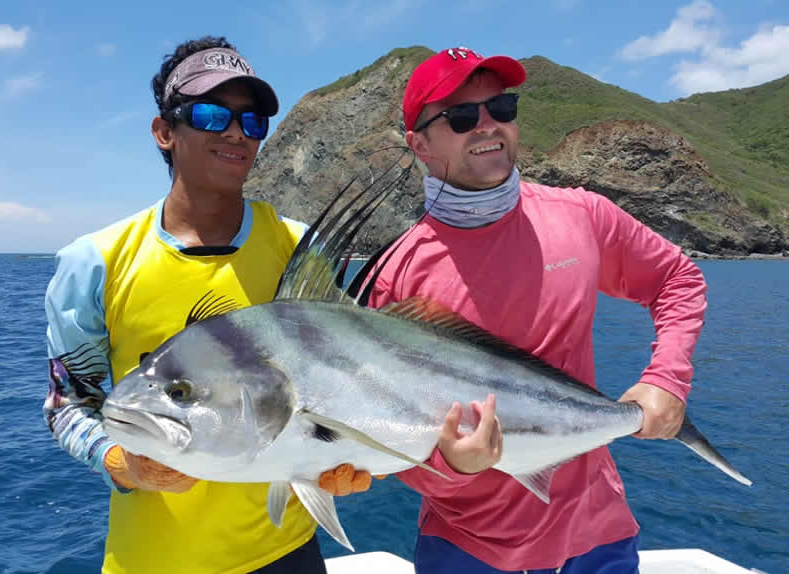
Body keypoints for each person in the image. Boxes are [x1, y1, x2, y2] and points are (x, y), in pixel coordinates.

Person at [367, 46, 708, 573]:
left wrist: (666, 379)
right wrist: (449, 464)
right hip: (465, 548)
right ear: (419, 145)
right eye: (461, 116)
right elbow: (383, 431)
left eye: (500, 109)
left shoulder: (582, 216)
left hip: (597, 536)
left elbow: (676, 279)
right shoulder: (397, 272)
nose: (487, 126)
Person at [43, 36, 369, 574]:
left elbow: (346, 383)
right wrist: (120, 461)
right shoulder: (95, 262)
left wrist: (346, 458)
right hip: (153, 559)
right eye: (212, 114)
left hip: (288, 552)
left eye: (252, 120)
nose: (237, 132)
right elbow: (66, 403)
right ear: (164, 132)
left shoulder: (302, 249)